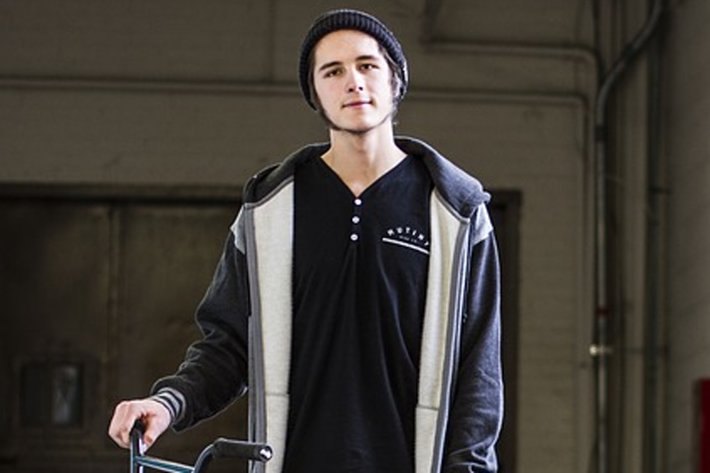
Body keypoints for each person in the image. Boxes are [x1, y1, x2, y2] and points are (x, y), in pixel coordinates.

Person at [108, 8, 503, 473]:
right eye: (332, 71)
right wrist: (169, 403)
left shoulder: (456, 213)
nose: (353, 82)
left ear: (395, 80)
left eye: (367, 65)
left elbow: (479, 372)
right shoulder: (269, 211)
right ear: (315, 94)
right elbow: (228, 346)